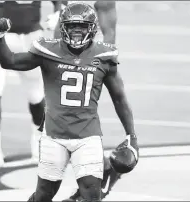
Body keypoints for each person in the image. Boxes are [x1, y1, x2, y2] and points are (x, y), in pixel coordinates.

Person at [0, 2, 139, 202]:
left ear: (92, 29)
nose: (77, 32)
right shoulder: (48, 50)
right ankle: (107, 174)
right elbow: (9, 61)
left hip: (87, 135)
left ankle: (104, 176)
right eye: (71, 27)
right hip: (55, 133)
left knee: (91, 195)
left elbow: (119, 97)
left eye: (82, 27)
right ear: (63, 27)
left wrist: (132, 136)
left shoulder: (104, 56)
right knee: (44, 194)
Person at [0, 0, 62, 169]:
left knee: (36, 95)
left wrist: (57, 15)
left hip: (31, 36)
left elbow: (61, 3)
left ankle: (39, 145)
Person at [56, 1, 122, 201]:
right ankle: (104, 170)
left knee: (73, 122)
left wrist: (96, 63)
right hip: (61, 55)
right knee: (60, 123)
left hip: (88, 61)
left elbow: (109, 32)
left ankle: (90, 186)